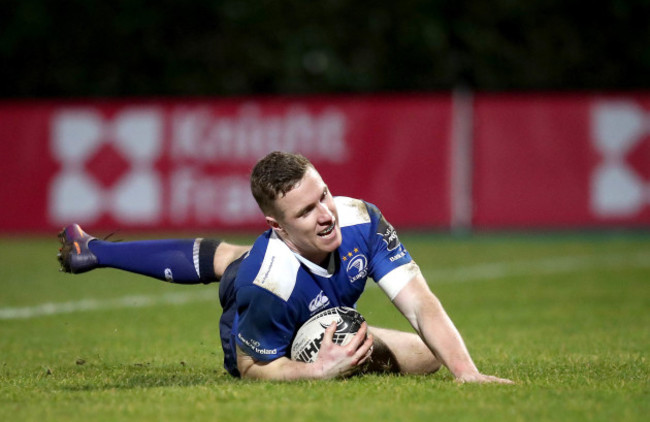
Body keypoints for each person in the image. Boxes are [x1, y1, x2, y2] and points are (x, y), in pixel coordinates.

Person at [58, 151, 513, 383]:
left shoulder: (360, 219)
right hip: (259, 311)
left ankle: (93, 249)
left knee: (431, 354)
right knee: (239, 266)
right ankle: (101, 252)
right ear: (277, 225)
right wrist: (316, 371)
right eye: (306, 212)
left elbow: (419, 301)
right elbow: (253, 367)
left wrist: (466, 372)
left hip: (303, 288)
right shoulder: (268, 282)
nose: (326, 214)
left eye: (324, 196)